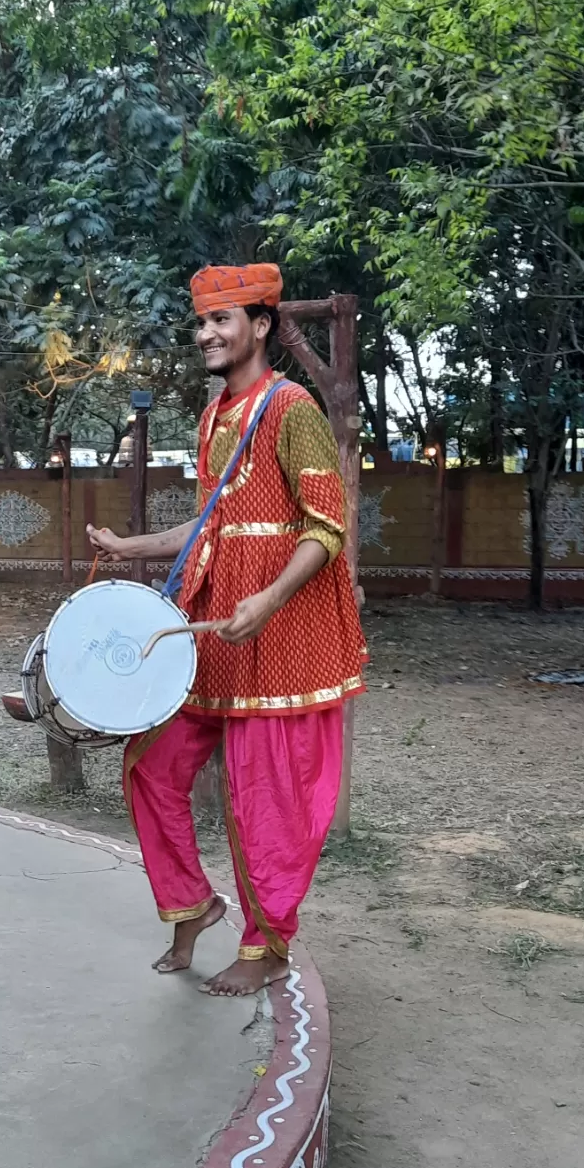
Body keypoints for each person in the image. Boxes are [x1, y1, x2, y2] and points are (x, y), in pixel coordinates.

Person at [87, 263, 365, 997]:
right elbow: (211, 523)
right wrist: (131, 547)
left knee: (261, 796)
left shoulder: (291, 407)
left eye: (222, 320)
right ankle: (193, 904)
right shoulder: (215, 414)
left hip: (280, 636)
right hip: (213, 628)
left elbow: (326, 526)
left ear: (262, 325)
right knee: (149, 764)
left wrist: (269, 599)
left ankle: (265, 943)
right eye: (201, 323)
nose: (207, 334)